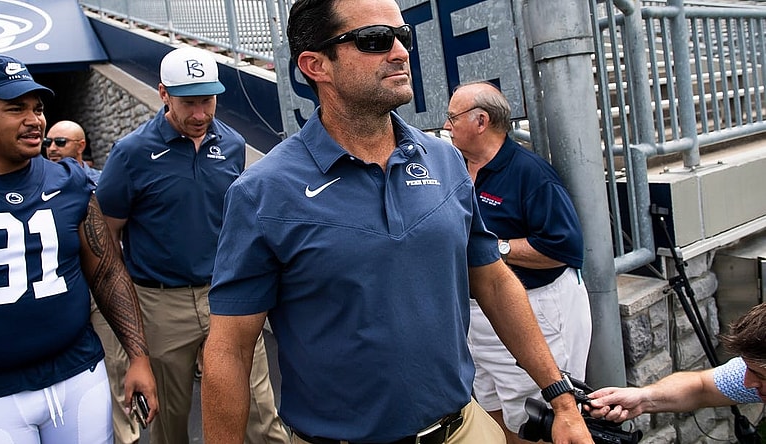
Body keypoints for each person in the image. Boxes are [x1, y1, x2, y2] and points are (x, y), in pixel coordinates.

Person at [201, 1, 594, 443]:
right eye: (374, 40)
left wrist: (561, 397)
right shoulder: (262, 192)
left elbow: (494, 281)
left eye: (401, 36)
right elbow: (230, 350)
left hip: (465, 429)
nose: (400, 52)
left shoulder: (445, 161)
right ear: (315, 65)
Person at [95, 46, 288, 444]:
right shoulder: (131, 154)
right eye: (188, 103)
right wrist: (125, 308)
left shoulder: (232, 146)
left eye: (207, 101)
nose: (200, 114)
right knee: (171, 418)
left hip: (227, 296)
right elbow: (105, 234)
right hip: (162, 305)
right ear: (164, 94)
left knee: (259, 410)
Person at [0, 54, 158, 443]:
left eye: (38, 108)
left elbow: (107, 271)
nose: (34, 120)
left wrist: (138, 356)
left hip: (78, 372)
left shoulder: (70, 181)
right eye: (15, 108)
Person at [443, 81, 593, 442]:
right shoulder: (455, 168)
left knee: (535, 420)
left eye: (452, 117)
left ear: (481, 121)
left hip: (530, 310)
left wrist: (493, 250)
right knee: (493, 414)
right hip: (477, 317)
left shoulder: (530, 173)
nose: (446, 126)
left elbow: (564, 248)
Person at [587, 302, 766, 422]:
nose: (747, 382)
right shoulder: (751, 374)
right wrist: (643, 398)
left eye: (759, 375)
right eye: (748, 369)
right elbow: (700, 387)